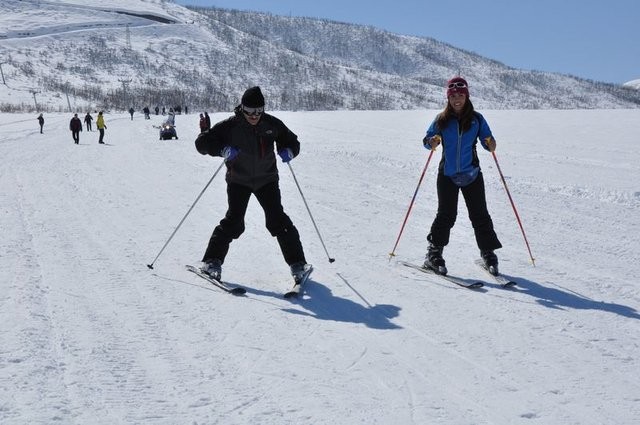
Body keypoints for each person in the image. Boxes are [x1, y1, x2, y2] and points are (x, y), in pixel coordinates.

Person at [194, 86, 310, 281]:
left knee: (277, 220)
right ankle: (211, 262)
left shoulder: (272, 124)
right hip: (239, 180)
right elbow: (202, 144)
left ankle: (298, 265)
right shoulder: (230, 126)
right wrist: (221, 149)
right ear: (242, 109)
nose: (254, 115)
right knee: (234, 222)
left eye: (258, 111)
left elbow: (291, 141)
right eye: (249, 111)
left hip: (267, 179)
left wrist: (289, 150)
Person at [422, 76, 502, 275]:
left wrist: (490, 144)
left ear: (467, 96)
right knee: (446, 215)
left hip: (472, 173)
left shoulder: (477, 119)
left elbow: (488, 141)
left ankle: (488, 253)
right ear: (448, 98)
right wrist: (431, 141)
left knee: (480, 215)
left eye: (461, 95)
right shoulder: (442, 119)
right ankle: (434, 253)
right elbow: (427, 140)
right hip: (447, 174)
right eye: (453, 96)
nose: (457, 99)